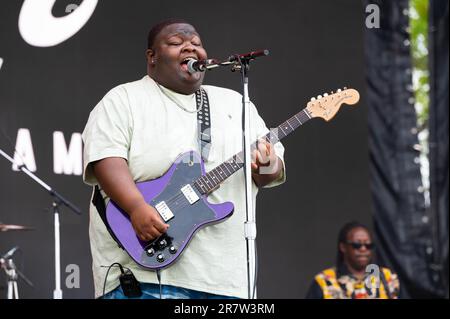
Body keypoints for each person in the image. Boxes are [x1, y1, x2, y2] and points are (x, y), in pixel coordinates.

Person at [82, 19, 286, 299]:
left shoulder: (236, 103)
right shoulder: (123, 99)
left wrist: (269, 164)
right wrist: (136, 207)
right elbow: (105, 158)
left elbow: (269, 172)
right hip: (144, 276)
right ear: (151, 57)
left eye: (197, 44)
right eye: (177, 43)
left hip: (228, 279)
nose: (190, 46)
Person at [306, 221, 400, 299]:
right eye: (357, 245)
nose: (363, 249)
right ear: (343, 247)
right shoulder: (324, 281)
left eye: (368, 245)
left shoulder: (389, 278)